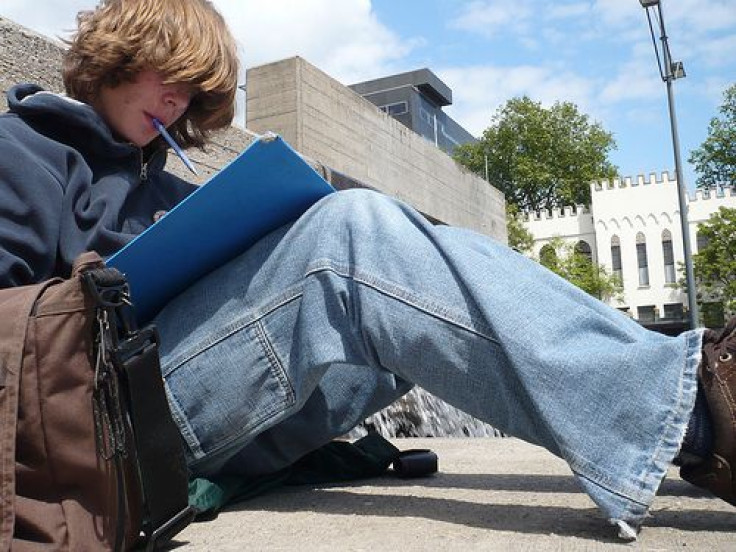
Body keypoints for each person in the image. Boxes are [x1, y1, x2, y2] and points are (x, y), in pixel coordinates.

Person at [0, 0, 733, 540]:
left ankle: (672, 383)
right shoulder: (24, 151)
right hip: (111, 426)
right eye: (170, 75)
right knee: (353, 235)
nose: (178, 100)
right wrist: (97, 293)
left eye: (194, 91)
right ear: (116, 55)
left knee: (412, 271)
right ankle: (698, 418)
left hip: (208, 406)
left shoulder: (165, 184)